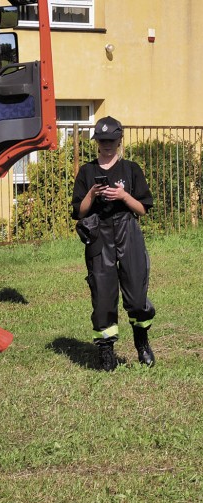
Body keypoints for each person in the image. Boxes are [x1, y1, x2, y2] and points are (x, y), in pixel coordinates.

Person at [72, 115, 156, 371]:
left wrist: (122, 195)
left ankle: (141, 342)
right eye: (103, 140)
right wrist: (91, 194)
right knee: (103, 293)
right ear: (96, 141)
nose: (107, 144)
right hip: (99, 233)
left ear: (120, 140)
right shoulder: (87, 171)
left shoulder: (131, 169)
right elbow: (79, 212)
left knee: (137, 291)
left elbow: (142, 209)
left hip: (126, 229)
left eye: (112, 140)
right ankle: (106, 352)